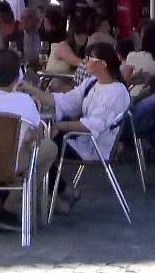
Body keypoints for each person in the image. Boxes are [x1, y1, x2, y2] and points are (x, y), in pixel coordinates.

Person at [0, 49, 57, 232]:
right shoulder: (23, 101)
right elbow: (38, 133)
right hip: (10, 165)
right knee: (48, 148)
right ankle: (12, 207)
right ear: (17, 77)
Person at [52, 41, 131, 209]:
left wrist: (59, 126)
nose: (85, 61)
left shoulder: (117, 92)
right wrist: (33, 91)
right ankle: (59, 193)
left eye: (89, 58)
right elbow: (65, 102)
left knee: (42, 148)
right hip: (81, 140)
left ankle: (56, 195)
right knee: (41, 145)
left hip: (95, 147)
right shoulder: (91, 83)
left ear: (102, 64)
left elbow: (93, 125)